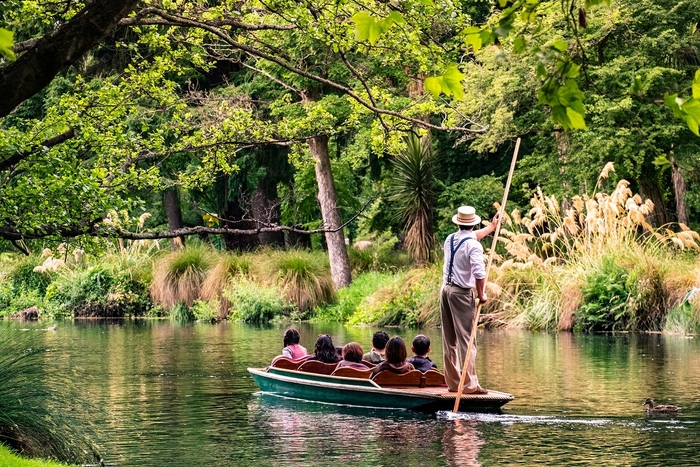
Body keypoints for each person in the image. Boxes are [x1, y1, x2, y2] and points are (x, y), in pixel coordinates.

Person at [441, 205, 500, 394]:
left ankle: (453, 383)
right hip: (460, 294)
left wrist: (492, 227)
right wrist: (481, 294)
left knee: (449, 340)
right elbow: (479, 273)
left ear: (458, 223)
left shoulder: (450, 239)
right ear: (473, 224)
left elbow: (472, 238)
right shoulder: (473, 244)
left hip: (445, 291)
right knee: (467, 341)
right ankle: (469, 386)